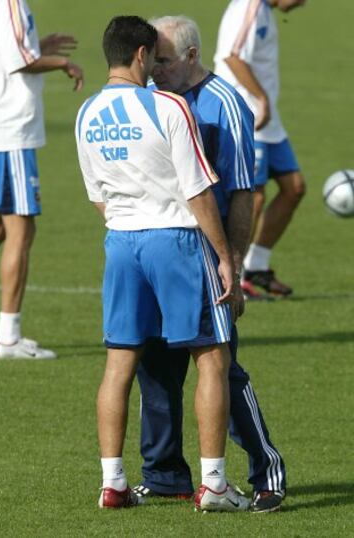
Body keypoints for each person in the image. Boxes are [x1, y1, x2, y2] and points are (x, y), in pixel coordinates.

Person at [75, 15, 250, 513]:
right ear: (139, 55)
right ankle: (215, 484)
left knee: (118, 364)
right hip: (174, 240)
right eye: (153, 57)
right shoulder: (167, 105)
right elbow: (196, 190)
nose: (155, 67)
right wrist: (224, 257)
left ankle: (113, 483)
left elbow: (98, 198)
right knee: (211, 357)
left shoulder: (87, 113)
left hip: (120, 242)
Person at [133, 15, 286, 514]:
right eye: (151, 59)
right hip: (158, 250)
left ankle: (266, 471)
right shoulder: (152, 99)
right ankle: (163, 476)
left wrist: (233, 263)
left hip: (207, 255)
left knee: (221, 368)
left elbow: (242, 193)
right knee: (155, 364)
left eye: (164, 60)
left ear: (192, 56)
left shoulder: (227, 105)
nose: (154, 69)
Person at [0, 0, 84, 359]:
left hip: (2, 130)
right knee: (22, 229)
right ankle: (9, 338)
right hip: (10, 132)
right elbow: (19, 61)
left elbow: (10, 52)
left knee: (0, 228)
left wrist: (40, 48)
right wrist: (64, 63)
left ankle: (8, 336)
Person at [214, 0, 307, 299]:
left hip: (267, 118)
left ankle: (257, 269)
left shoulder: (263, 9)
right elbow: (231, 56)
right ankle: (230, 275)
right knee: (252, 196)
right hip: (247, 113)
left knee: (294, 187)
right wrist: (261, 98)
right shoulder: (249, 7)